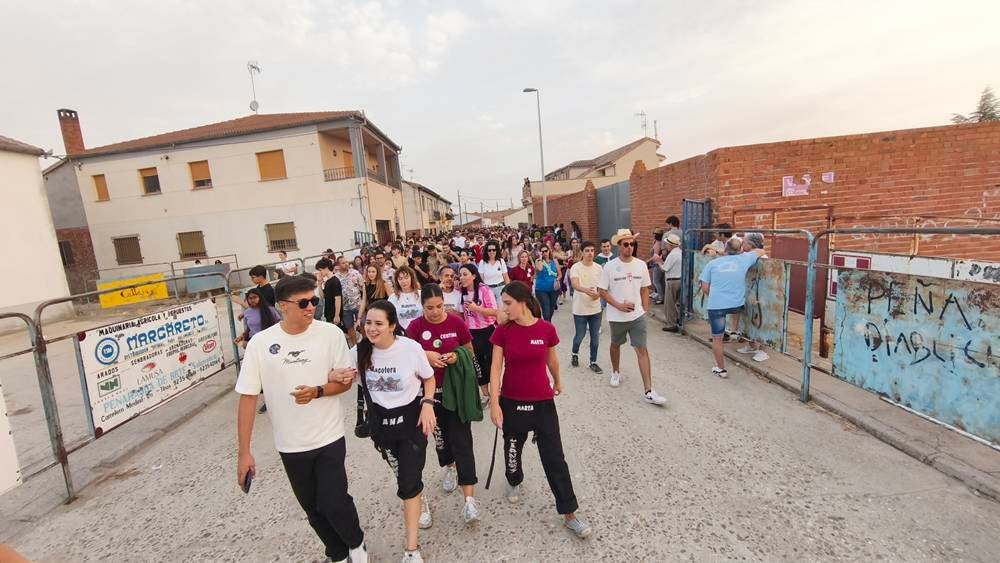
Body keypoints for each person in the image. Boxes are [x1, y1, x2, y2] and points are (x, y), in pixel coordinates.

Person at [235, 275, 368, 563]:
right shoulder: (261, 344)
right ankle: (337, 553)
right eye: (304, 302)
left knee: (334, 502)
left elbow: (344, 383)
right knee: (313, 509)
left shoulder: (330, 334)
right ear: (283, 306)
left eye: (315, 301)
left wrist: (318, 391)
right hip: (290, 444)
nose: (311, 308)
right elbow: (247, 398)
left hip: (328, 436)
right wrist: (244, 452)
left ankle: (356, 544)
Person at [488, 281, 593, 539]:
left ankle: (569, 513)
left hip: (543, 403)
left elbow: (552, 360)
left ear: (523, 301)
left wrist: (557, 380)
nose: (505, 308)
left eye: (508, 303)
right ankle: (514, 480)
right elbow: (494, 368)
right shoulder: (503, 331)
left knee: (555, 458)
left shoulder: (546, 328)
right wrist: (493, 403)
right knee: (512, 449)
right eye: (504, 304)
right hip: (511, 401)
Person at [353, 301, 436, 563]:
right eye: (368, 323)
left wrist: (428, 404)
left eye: (378, 323)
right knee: (402, 474)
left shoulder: (409, 348)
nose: (372, 328)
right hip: (381, 428)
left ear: (392, 326)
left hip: (412, 424)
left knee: (408, 483)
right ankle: (419, 497)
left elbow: (429, 377)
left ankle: (411, 550)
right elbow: (338, 374)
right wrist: (334, 375)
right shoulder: (358, 351)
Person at [406, 284, 481, 524]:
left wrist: (457, 355)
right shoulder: (415, 327)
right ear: (422, 306)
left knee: (463, 441)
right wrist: (424, 354)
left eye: (439, 306)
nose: (436, 312)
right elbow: (405, 358)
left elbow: (470, 351)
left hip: (455, 393)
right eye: (430, 308)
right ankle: (449, 467)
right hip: (428, 396)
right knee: (440, 440)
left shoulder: (457, 322)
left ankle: (469, 500)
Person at [598, 229, 667, 405]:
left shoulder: (640, 265)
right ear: (619, 246)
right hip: (617, 317)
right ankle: (615, 371)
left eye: (632, 244)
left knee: (642, 350)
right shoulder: (609, 266)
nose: (630, 247)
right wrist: (618, 305)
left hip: (637, 317)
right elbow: (602, 291)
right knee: (615, 345)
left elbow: (645, 288)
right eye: (626, 244)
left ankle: (649, 391)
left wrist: (644, 308)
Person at [699, 237, 767, 378]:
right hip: (737, 304)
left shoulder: (712, 264)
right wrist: (745, 254)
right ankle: (736, 331)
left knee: (717, 338)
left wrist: (717, 296)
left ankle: (721, 369)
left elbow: (705, 288)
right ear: (740, 250)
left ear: (725, 249)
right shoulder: (745, 259)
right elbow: (761, 250)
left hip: (717, 306)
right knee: (738, 311)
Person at [458, 264, 499, 402]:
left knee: (491, 364)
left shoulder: (484, 290)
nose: (462, 277)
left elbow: (495, 312)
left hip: (488, 332)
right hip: (470, 333)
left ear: (474, 276)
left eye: (465, 274)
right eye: (460, 275)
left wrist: (478, 309)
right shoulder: (459, 292)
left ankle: (495, 392)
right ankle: (486, 395)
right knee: (477, 365)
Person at [569, 242, 603, 373]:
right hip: (580, 309)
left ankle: (593, 362)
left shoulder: (599, 268)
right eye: (587, 250)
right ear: (582, 252)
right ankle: (574, 354)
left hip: (595, 308)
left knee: (595, 337)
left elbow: (603, 287)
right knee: (580, 336)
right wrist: (585, 290)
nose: (590, 253)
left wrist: (598, 294)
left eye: (592, 250)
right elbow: (575, 284)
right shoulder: (576, 267)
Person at [735, 233, 770, 362]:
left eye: (744, 242)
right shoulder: (747, 256)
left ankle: (763, 350)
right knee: (749, 320)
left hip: (760, 294)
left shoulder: (763, 258)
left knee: (761, 321)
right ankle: (752, 345)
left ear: (751, 245)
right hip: (749, 292)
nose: (742, 245)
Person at [335, 255, 364, 346]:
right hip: (345, 308)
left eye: (347, 262)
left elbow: (363, 287)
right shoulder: (335, 277)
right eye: (343, 263)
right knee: (349, 327)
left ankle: (366, 343)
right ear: (338, 265)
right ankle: (355, 346)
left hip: (358, 304)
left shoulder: (355, 273)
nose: (346, 264)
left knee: (363, 325)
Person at [389, 265, 423, 330]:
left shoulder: (421, 294)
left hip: (420, 331)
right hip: (401, 334)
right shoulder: (392, 298)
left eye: (406, 277)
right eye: (400, 279)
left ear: (411, 278)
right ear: (397, 281)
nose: (404, 281)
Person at [660, 233, 683, 333]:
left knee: (669, 304)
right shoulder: (680, 252)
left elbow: (664, 268)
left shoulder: (672, 254)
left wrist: (658, 261)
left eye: (667, 244)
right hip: (680, 279)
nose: (666, 246)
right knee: (676, 303)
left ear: (671, 245)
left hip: (672, 280)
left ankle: (671, 324)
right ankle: (677, 320)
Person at [478, 240, 510, 305]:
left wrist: (509, 291)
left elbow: (506, 277)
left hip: (501, 289)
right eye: (489, 250)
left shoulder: (501, 261)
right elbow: (481, 279)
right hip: (488, 290)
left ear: (497, 251)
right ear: (486, 251)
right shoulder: (482, 262)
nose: (491, 252)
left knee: (501, 310)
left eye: (493, 250)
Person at [533, 246, 561, 321]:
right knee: (546, 310)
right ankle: (548, 328)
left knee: (551, 309)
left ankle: (547, 326)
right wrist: (540, 257)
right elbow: (540, 268)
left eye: (546, 251)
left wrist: (557, 280)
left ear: (549, 251)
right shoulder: (538, 261)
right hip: (541, 290)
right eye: (542, 252)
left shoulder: (554, 261)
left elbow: (560, 274)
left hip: (553, 289)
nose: (544, 253)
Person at [316, 258, 343, 327]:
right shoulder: (328, 281)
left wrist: (337, 315)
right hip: (328, 313)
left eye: (320, 270)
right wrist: (319, 283)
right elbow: (322, 296)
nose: (320, 272)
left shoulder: (335, 281)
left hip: (334, 314)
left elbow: (338, 299)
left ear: (326, 268)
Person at [648, 228, 665, 305]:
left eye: (654, 234)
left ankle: (661, 297)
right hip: (659, 264)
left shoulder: (658, 244)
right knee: (660, 281)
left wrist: (647, 261)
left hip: (657, 265)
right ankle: (660, 295)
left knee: (656, 281)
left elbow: (655, 256)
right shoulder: (658, 242)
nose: (653, 235)